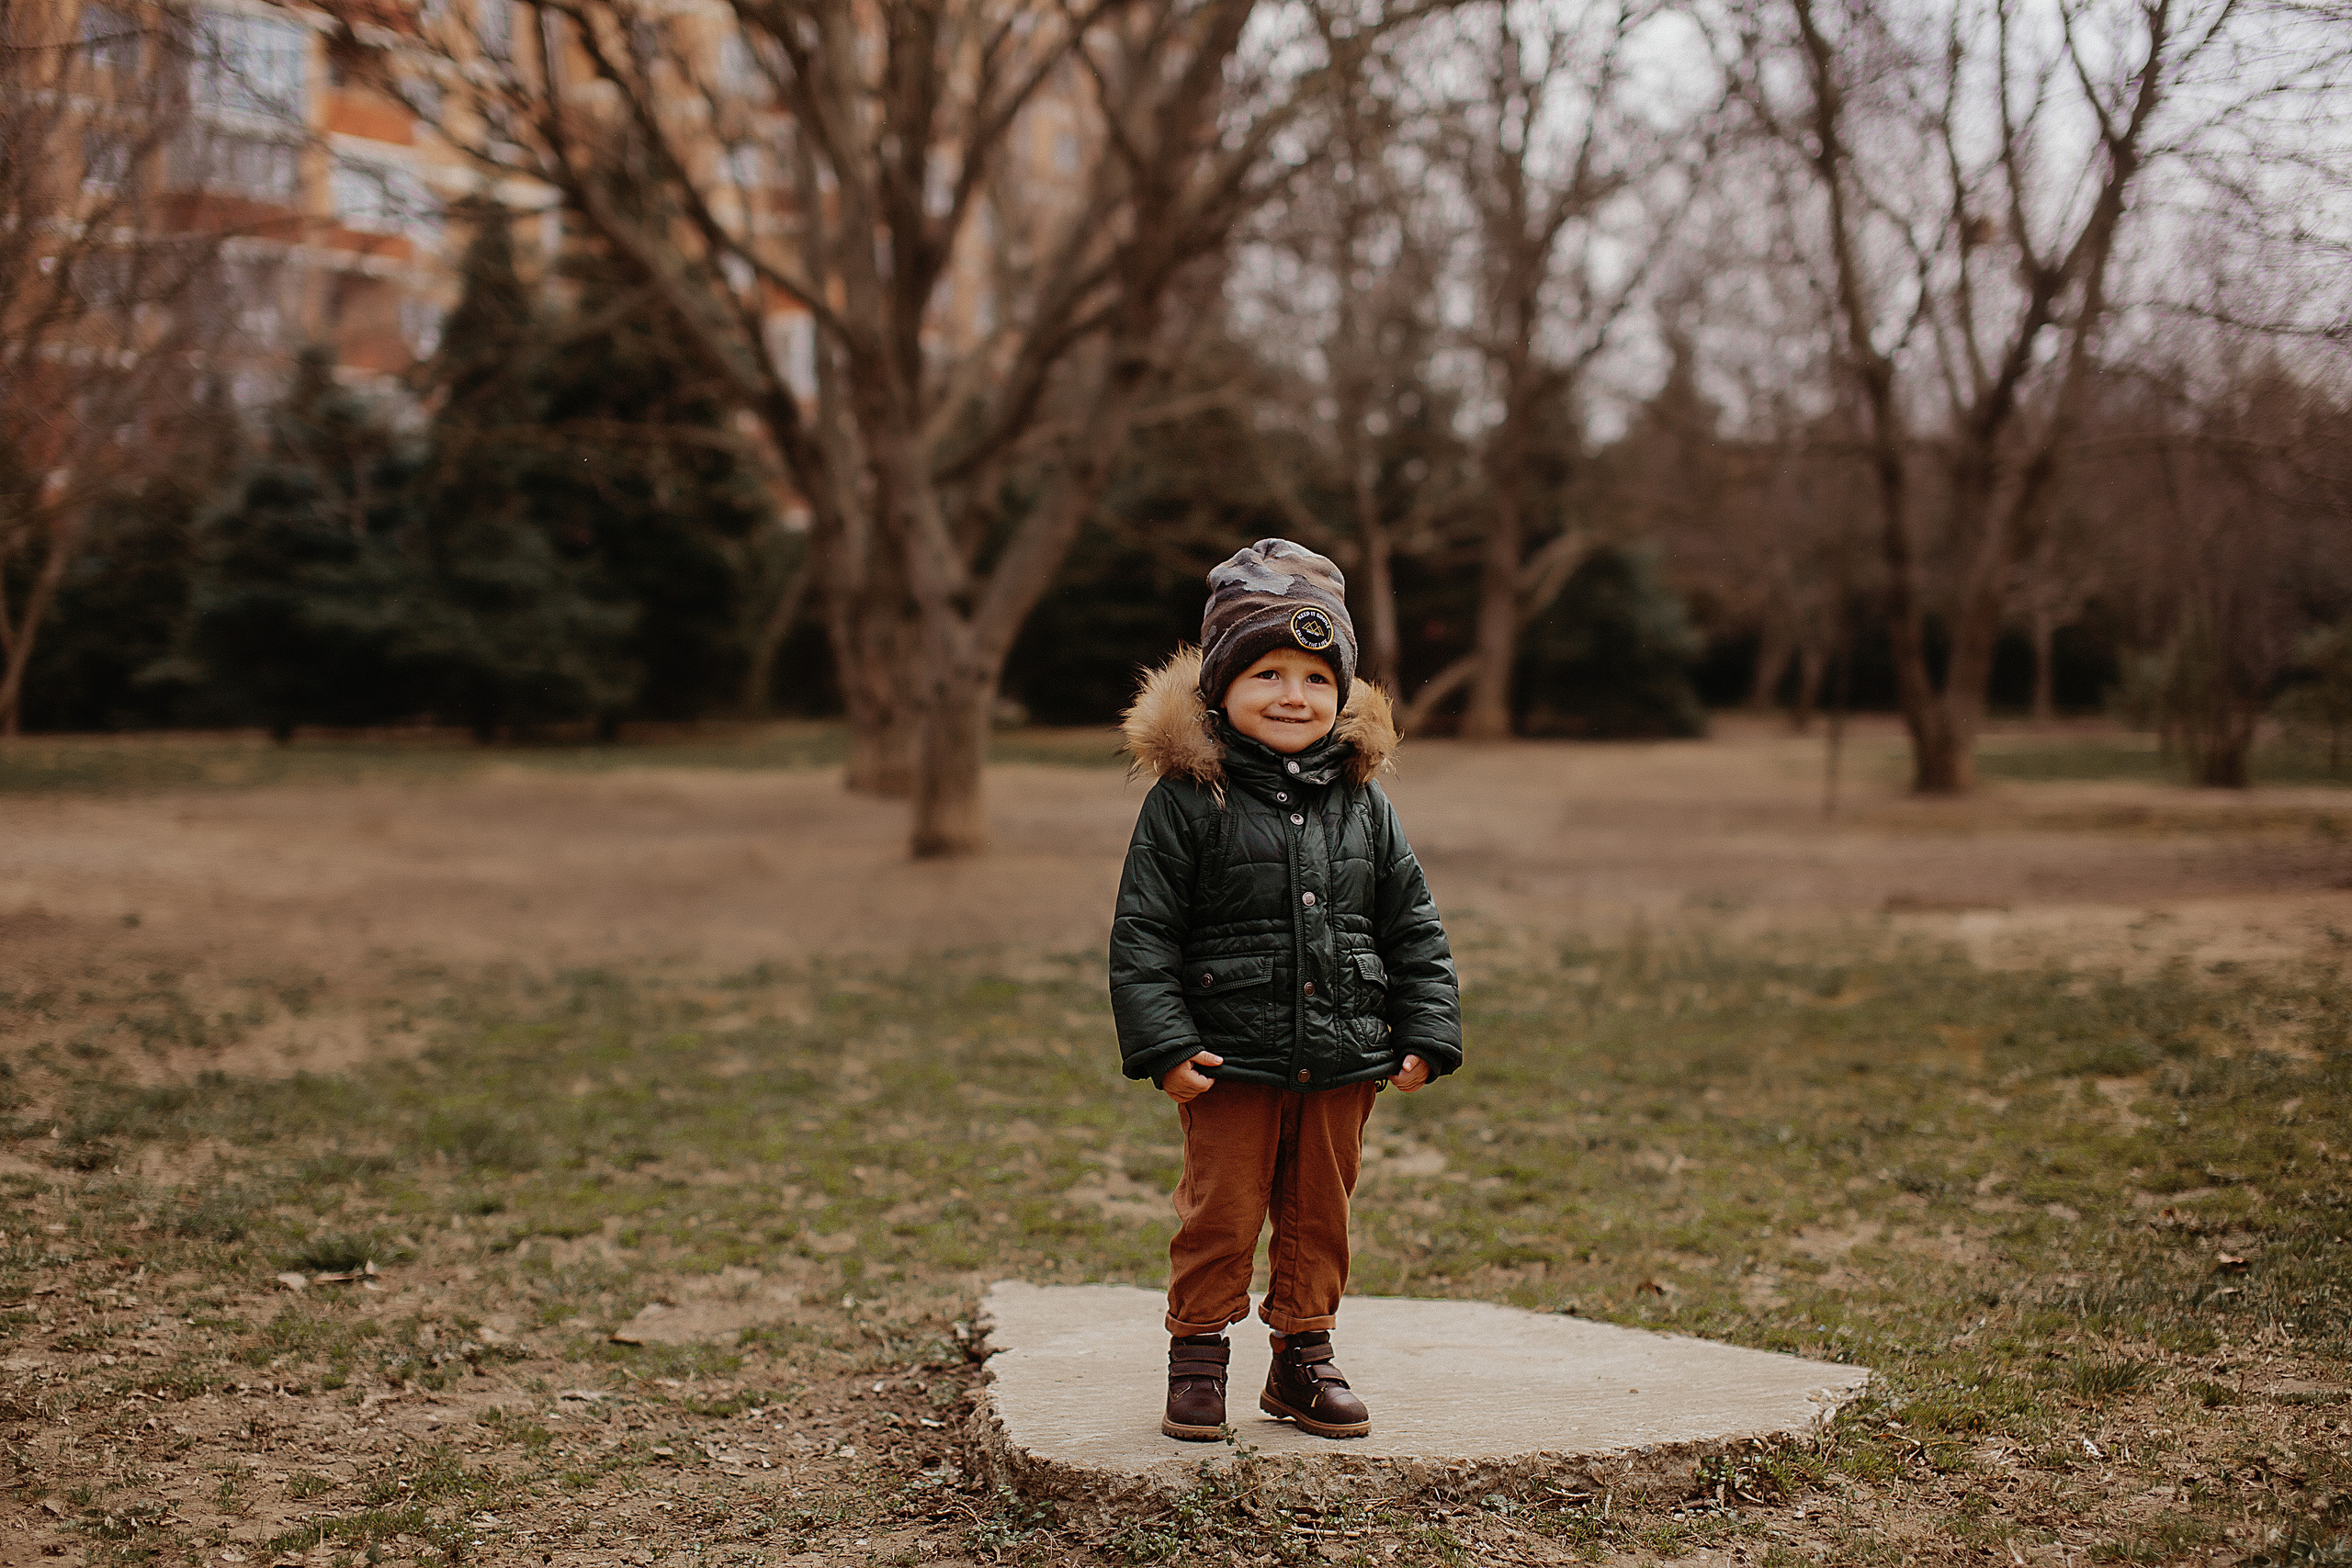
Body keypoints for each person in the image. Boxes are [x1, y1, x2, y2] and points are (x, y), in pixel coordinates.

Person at [1110, 537, 1462, 1442]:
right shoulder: (1190, 800)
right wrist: (1164, 1041)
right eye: (1266, 672)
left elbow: (1410, 922)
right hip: (1230, 1059)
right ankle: (1197, 1356)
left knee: (1319, 1217)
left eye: (1314, 676)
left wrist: (1426, 1027)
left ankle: (1303, 1358)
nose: (1292, 695)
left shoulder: (1364, 801)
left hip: (1346, 1054)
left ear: (1341, 691)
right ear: (1219, 687)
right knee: (1218, 1212)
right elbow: (1145, 933)